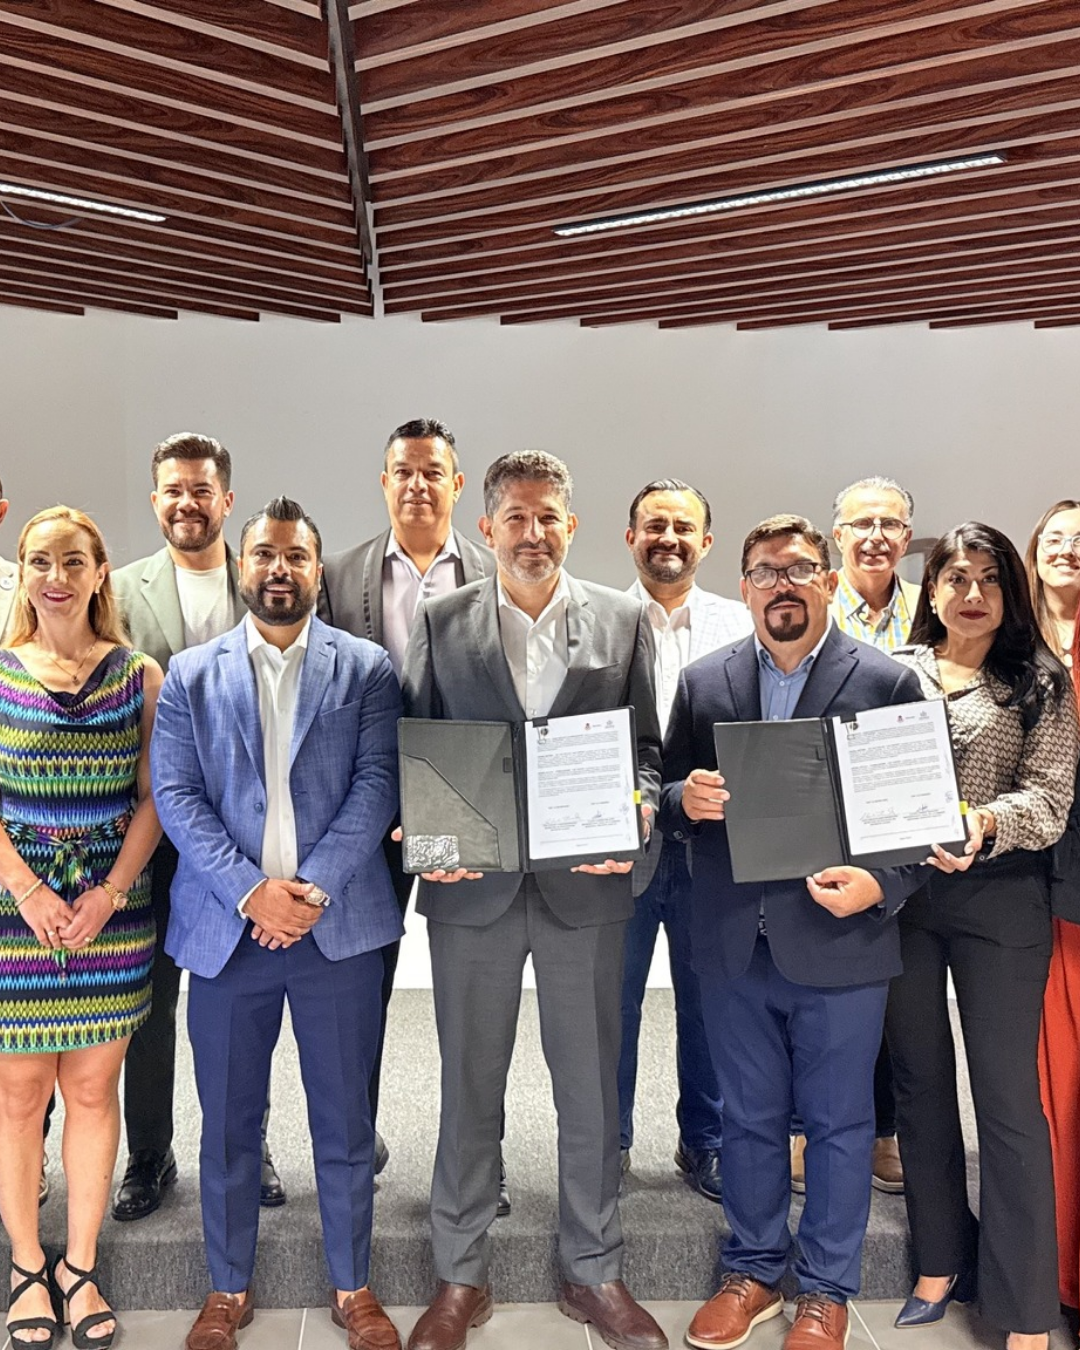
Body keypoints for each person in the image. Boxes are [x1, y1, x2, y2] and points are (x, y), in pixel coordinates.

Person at [401, 451, 667, 1350]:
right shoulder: (441, 621)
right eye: (515, 517)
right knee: (468, 1084)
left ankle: (594, 1271)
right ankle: (460, 1276)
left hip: (583, 888)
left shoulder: (624, 619)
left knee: (589, 1088)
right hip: (471, 888)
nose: (532, 533)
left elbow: (647, 752)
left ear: (571, 524)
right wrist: (427, 839)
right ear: (487, 528)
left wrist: (638, 807)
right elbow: (418, 743)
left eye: (548, 516)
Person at [659, 513, 925, 1350]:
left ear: (828, 582)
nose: (783, 584)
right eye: (766, 571)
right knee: (748, 1116)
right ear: (744, 589)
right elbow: (665, 788)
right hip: (735, 942)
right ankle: (752, 1270)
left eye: (801, 569)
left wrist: (881, 885)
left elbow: (919, 820)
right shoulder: (704, 682)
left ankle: (826, 1289)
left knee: (839, 1123)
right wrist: (682, 800)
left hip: (842, 940)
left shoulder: (885, 681)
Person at [152, 497, 404, 1350]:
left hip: (336, 932)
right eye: (264, 554)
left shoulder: (365, 668)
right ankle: (227, 1290)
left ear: (317, 571)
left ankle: (353, 1288)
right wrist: (249, 893)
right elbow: (177, 796)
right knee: (228, 1124)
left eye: (296, 556)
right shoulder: (191, 673)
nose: (279, 569)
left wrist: (311, 889)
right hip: (228, 937)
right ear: (243, 565)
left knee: (345, 1121)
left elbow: (377, 785)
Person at [887, 522, 1078, 1350]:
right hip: (903, 899)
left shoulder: (1041, 681)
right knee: (920, 1081)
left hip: (1000, 900)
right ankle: (939, 1262)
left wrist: (986, 821)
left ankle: (1024, 1307)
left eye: (990, 579)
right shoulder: (889, 674)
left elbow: (1050, 798)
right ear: (930, 591)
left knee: (1006, 1098)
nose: (972, 593)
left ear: (1011, 593)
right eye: (956, 577)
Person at [110, 432, 286, 1220]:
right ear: (156, 501)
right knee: (147, 1006)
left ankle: (253, 1145)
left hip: (245, 841)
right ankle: (149, 1155)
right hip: (147, 833)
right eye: (174, 490)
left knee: (245, 1005)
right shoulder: (117, 590)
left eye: (202, 489)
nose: (187, 503)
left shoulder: (266, 580)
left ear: (227, 498)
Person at [0, 506, 163, 1350]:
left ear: (101, 572)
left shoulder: (139, 675)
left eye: (73, 561)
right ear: (22, 572)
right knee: (19, 1095)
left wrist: (108, 893)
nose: (56, 577)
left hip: (113, 912)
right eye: (40, 561)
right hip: (13, 914)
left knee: (94, 1091)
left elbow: (156, 798)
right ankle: (28, 1265)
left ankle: (81, 1264)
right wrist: (28, 890)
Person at [318, 417, 494, 1188]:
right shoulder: (336, 577)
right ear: (383, 482)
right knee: (361, 990)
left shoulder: (496, 573)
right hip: (367, 812)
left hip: (469, 804)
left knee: (475, 994)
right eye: (403, 471)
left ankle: (476, 1160)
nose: (417, 485)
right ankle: (355, 1143)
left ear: (457, 484)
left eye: (432, 472)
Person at [618, 478, 751, 1201]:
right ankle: (610, 1142)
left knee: (710, 1002)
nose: (667, 538)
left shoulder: (740, 624)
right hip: (622, 846)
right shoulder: (601, 621)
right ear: (630, 537)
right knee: (614, 1003)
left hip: (712, 844)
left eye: (682, 527)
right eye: (654, 526)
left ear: (706, 541)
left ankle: (706, 1139)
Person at [1025, 499, 1080, 666]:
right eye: (1054, 540)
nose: (1066, 551)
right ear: (1035, 554)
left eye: (1079, 541)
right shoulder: (1010, 628)